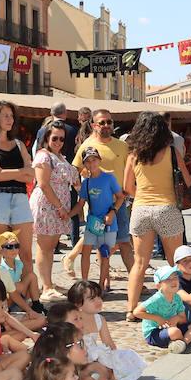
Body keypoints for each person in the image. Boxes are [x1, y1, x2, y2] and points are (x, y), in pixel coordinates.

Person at [123, 111, 190, 319]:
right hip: (167, 208)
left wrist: (142, 197)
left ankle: (131, 309)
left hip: (141, 209)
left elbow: (126, 186)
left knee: (140, 263)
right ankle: (177, 306)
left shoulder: (133, 155)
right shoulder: (171, 152)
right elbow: (187, 181)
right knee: (174, 262)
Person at [68, 108, 132, 278]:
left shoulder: (122, 145)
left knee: (124, 242)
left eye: (109, 122)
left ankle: (136, 281)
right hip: (97, 205)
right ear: (94, 125)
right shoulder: (88, 145)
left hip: (119, 202)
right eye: (102, 122)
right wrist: (83, 193)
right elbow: (75, 170)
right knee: (101, 244)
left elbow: (131, 170)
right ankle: (105, 280)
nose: (106, 125)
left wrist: (130, 190)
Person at [0, 100, 36, 279]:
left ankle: (28, 292)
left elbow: (31, 175)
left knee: (25, 252)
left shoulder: (18, 144)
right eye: (5, 116)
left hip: (19, 198)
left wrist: (6, 172)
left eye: (11, 116)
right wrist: (21, 172)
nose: (10, 120)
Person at [30, 119, 81, 300]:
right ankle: (46, 287)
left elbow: (74, 180)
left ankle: (48, 283)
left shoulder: (60, 157)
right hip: (47, 205)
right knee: (44, 247)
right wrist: (59, 206)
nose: (58, 142)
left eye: (61, 139)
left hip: (60, 207)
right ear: (46, 138)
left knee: (51, 247)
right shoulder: (43, 156)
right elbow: (43, 184)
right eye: (55, 139)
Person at [67, 280, 145, 380]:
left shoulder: (99, 319)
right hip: (83, 358)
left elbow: (108, 342)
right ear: (78, 304)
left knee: (122, 361)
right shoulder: (74, 322)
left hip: (97, 353)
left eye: (99, 297)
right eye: (92, 299)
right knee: (98, 369)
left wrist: (115, 360)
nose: (98, 301)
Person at [73, 146, 124, 293]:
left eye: (94, 160)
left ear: (99, 160)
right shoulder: (86, 183)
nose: (91, 164)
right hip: (92, 223)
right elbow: (80, 203)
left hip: (108, 223)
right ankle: (84, 284)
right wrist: (68, 215)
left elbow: (120, 197)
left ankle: (101, 286)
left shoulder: (109, 178)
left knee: (105, 254)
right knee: (86, 250)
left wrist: (113, 212)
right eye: (87, 161)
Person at [135, 265, 191, 353]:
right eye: (168, 279)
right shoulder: (156, 299)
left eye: (175, 277)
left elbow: (183, 319)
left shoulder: (177, 298)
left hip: (172, 326)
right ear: (159, 285)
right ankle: (186, 340)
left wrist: (177, 318)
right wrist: (158, 319)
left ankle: (182, 343)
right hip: (154, 332)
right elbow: (137, 312)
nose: (174, 281)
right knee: (176, 332)